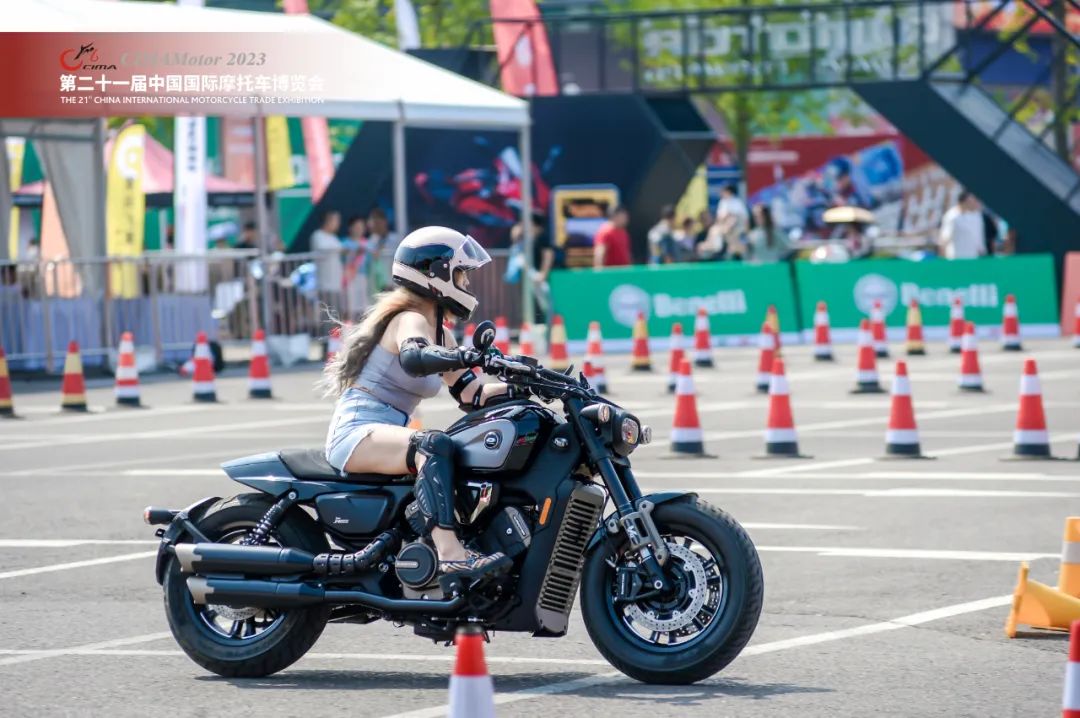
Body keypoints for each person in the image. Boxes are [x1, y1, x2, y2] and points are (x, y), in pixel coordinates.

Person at [322, 226, 520, 577]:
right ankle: (451, 554)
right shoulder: (409, 319)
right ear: (436, 274)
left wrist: (525, 383)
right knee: (433, 445)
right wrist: (465, 355)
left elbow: (472, 395)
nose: (466, 283)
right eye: (461, 273)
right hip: (358, 431)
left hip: (386, 429)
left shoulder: (441, 333)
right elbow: (414, 356)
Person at [938, 191, 986, 260]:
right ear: (963, 202)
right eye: (970, 202)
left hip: (973, 257)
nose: (974, 204)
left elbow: (978, 235)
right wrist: (943, 258)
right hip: (956, 258)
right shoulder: (951, 216)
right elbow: (944, 238)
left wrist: (981, 251)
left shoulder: (976, 216)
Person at [343, 215, 371, 320]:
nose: (359, 229)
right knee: (350, 306)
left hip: (365, 277)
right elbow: (343, 260)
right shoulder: (344, 244)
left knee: (364, 305)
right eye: (356, 227)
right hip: (350, 277)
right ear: (350, 228)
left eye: (361, 227)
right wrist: (355, 254)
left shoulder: (368, 243)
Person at [367, 208, 401, 293]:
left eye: (377, 223)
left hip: (393, 284)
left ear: (384, 222)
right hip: (377, 285)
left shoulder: (396, 240)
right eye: (374, 223)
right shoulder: (370, 242)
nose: (375, 226)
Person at [311, 210, 344, 296]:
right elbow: (323, 249)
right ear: (328, 220)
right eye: (336, 220)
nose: (338, 224)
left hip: (336, 283)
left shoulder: (334, 237)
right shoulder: (317, 235)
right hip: (324, 284)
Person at [714, 185, 749, 260]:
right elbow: (719, 218)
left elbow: (742, 218)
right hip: (724, 229)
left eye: (723, 191)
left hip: (737, 229)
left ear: (728, 192)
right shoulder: (722, 202)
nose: (721, 193)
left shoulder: (737, 202)